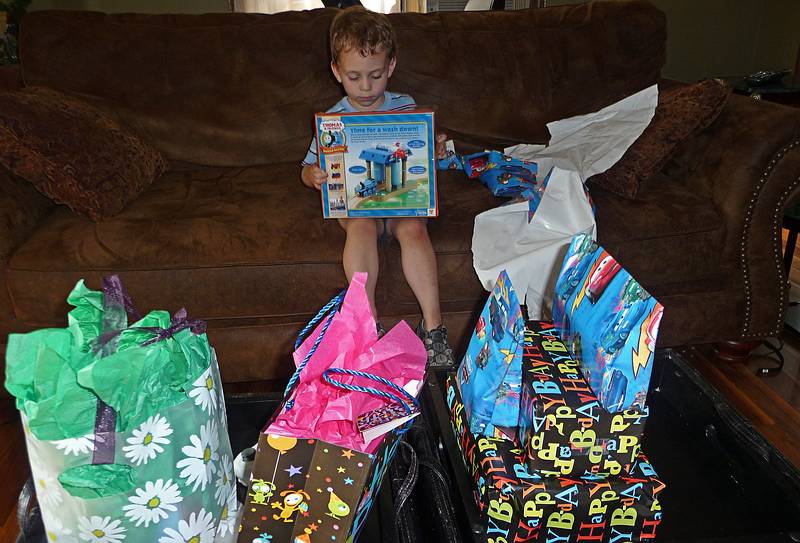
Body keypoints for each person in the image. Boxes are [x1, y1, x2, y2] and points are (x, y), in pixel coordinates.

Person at [300, 6, 454, 368]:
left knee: (414, 228)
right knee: (361, 226)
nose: (366, 88)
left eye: (376, 75)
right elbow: (306, 167)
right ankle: (366, 326)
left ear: (391, 67)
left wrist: (437, 150)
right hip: (359, 208)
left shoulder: (407, 107)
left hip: (402, 205)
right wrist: (314, 176)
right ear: (337, 72)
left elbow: (428, 161)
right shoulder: (333, 120)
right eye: (355, 77)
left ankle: (434, 328)